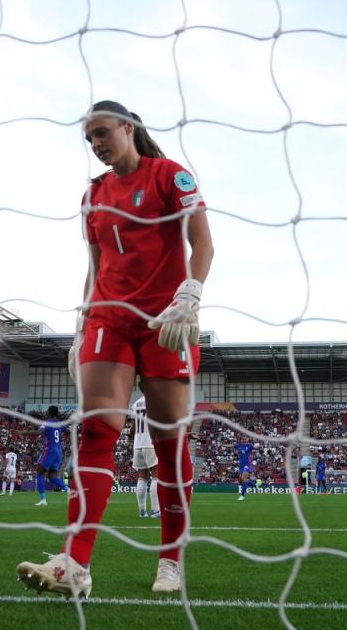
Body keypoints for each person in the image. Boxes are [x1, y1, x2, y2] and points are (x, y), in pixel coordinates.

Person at [16, 99, 213, 597]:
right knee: (97, 433)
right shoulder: (93, 196)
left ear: (129, 128)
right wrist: (81, 324)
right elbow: (95, 263)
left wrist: (190, 294)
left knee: (169, 446)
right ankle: (74, 564)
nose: (96, 144)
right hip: (109, 320)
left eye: (102, 133)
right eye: (89, 139)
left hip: (166, 322)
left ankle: (171, 559)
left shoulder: (171, 176)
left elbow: (203, 244)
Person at [14, 405, 69, 507]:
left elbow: (39, 432)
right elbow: (67, 431)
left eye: (47, 411)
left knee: (39, 473)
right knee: (52, 476)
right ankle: (68, 490)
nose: (46, 413)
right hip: (58, 451)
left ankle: (43, 499)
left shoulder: (47, 422)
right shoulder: (60, 423)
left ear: (49, 412)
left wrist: (22, 432)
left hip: (49, 450)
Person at [130, 396, 159, 517]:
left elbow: (133, 428)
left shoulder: (136, 403)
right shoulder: (157, 400)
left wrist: (133, 437)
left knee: (142, 477)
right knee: (156, 476)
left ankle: (142, 511)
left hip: (138, 444)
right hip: (151, 443)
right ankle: (156, 510)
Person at [234, 437, 254, 501]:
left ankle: (242, 496)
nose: (244, 440)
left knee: (243, 478)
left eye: (245, 439)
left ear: (247, 440)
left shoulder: (249, 446)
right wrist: (223, 444)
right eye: (243, 439)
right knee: (242, 480)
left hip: (247, 465)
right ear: (241, 439)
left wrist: (257, 445)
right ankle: (256, 485)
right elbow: (231, 445)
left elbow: (255, 446)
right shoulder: (238, 445)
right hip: (241, 466)